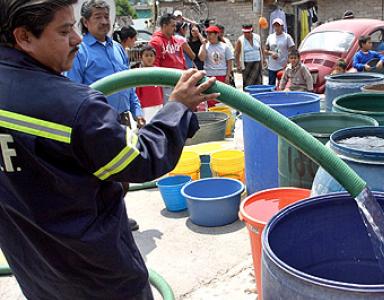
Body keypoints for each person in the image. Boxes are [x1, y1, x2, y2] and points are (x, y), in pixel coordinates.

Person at [0, 0, 219, 299]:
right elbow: (142, 160)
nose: (76, 39)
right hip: (97, 276)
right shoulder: (75, 107)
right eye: (65, 31)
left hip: (35, 269)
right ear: (24, 37)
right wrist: (177, 108)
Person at [66, 0, 145, 232]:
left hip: (121, 120)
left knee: (123, 174)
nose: (103, 21)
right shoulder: (80, 51)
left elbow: (129, 84)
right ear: (86, 22)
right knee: (100, 178)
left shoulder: (118, 48)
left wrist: (137, 110)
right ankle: (102, 222)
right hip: (95, 124)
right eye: (97, 17)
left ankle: (117, 216)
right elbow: (73, 90)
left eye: (106, 16)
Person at [150, 13, 186, 102]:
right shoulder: (156, 42)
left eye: (175, 26)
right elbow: (154, 66)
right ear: (164, 26)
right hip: (166, 84)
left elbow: (182, 61)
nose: (175, 29)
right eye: (172, 26)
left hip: (180, 81)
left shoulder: (176, 40)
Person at [199, 25, 234, 107]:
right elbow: (201, 58)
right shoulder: (205, 46)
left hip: (221, 75)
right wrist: (203, 45)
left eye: (210, 34)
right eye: (207, 34)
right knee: (210, 98)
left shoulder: (224, 46)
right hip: (209, 75)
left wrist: (228, 75)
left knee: (222, 97)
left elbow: (229, 61)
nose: (208, 36)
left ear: (216, 34)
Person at [136, 45, 164, 122]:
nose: (149, 58)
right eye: (146, 55)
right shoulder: (138, 73)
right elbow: (137, 93)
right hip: (145, 107)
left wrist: (161, 102)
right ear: (141, 57)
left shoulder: (157, 71)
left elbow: (160, 89)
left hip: (159, 104)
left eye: (151, 55)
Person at [264, 18, 295, 86]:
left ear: (282, 26)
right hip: (272, 66)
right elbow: (265, 50)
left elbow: (293, 51)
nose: (277, 27)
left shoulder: (287, 37)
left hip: (283, 66)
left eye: (278, 26)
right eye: (275, 26)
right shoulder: (270, 37)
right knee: (271, 85)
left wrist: (288, 62)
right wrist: (271, 53)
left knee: (282, 85)